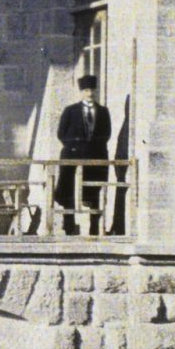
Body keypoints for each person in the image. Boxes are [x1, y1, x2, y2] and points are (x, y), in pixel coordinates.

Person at [55, 74, 113, 234]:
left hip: (94, 158)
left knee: (94, 191)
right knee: (68, 190)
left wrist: (94, 149)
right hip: (72, 156)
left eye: (92, 90)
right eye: (86, 90)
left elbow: (107, 134)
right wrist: (75, 147)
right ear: (81, 92)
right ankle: (68, 226)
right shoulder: (70, 111)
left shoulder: (103, 111)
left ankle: (94, 227)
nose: (90, 94)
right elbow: (61, 133)